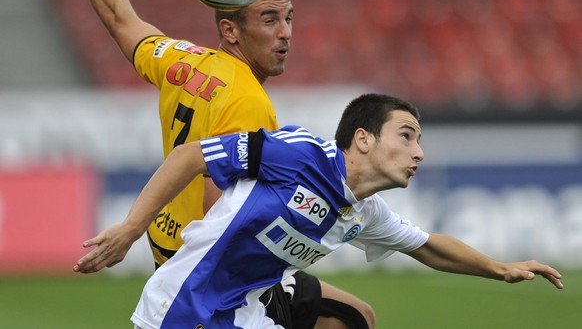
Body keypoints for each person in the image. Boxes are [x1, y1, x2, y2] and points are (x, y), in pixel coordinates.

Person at [38, 0, 374, 329]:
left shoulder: (180, 59)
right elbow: (226, 216)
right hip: (212, 278)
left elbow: (120, 19)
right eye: (269, 20)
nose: (286, 32)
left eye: (289, 18)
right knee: (351, 320)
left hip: (168, 248)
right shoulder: (248, 102)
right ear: (231, 31)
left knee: (353, 317)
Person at [73, 92, 564, 328]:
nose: (419, 153)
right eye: (407, 136)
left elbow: (429, 247)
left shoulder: (364, 213)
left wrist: (502, 269)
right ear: (364, 139)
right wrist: (130, 230)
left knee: (356, 320)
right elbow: (190, 156)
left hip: (249, 309)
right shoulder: (299, 154)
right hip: (182, 308)